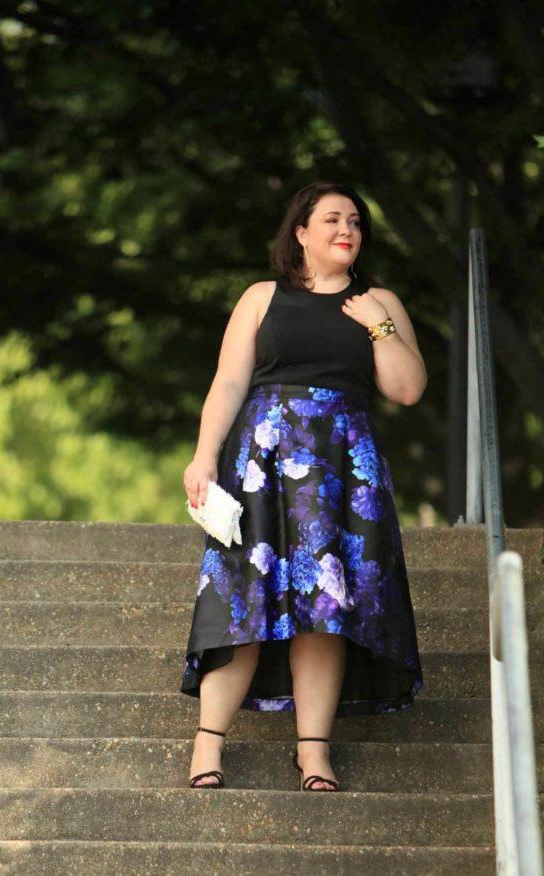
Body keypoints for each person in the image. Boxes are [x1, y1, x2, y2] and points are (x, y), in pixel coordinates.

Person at [181, 180, 427, 791]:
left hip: (343, 470)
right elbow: (228, 382)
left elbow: (407, 389)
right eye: (332, 219)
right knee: (242, 600)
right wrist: (204, 456)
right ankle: (207, 748)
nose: (347, 229)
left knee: (326, 609)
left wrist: (379, 326)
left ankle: (313, 754)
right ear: (301, 232)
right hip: (262, 465)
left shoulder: (381, 301)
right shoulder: (262, 297)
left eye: (356, 221)